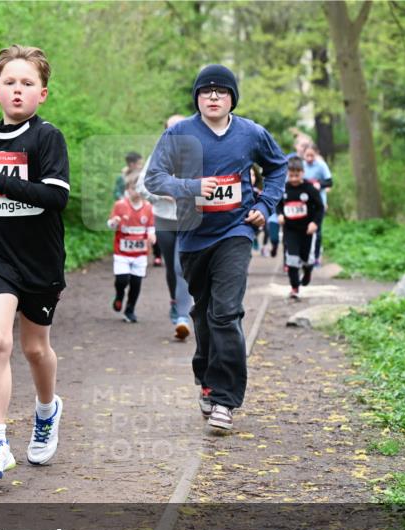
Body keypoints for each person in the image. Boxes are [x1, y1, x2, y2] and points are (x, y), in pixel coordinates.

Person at [145, 64, 287, 431]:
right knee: (204, 314)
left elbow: (278, 168)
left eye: (221, 91)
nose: (212, 96)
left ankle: (226, 398)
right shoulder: (179, 133)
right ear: (197, 97)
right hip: (192, 236)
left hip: (235, 232)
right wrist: (192, 187)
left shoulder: (251, 133)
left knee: (225, 313)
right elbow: (154, 177)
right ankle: (207, 378)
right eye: (206, 91)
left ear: (231, 98)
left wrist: (264, 206)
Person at [0, 45, 70, 480]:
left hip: (40, 258)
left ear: (42, 93)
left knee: (34, 348)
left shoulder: (47, 138)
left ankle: (47, 411)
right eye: (10, 83)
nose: (18, 90)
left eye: (27, 83)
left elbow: (55, 198)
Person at [136, 114, 192, 340]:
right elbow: (142, 186)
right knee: (171, 268)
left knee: (181, 267)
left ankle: (182, 317)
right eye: (171, 128)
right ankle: (175, 301)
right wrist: (164, 194)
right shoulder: (158, 156)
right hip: (164, 220)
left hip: (189, 220)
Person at [108, 170, 156, 323]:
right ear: (128, 189)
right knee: (122, 280)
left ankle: (130, 310)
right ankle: (119, 295)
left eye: (141, 188)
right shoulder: (120, 205)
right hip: (122, 252)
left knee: (136, 283)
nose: (138, 192)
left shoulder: (148, 207)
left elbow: (150, 226)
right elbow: (110, 224)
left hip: (140, 253)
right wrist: (114, 222)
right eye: (134, 188)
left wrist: (151, 235)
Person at [275, 156, 324, 299]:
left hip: (306, 230)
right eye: (291, 175)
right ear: (287, 174)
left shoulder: (309, 189)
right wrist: (279, 215)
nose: (294, 178)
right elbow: (278, 204)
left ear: (303, 173)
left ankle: (308, 271)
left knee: (306, 259)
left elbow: (320, 208)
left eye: (297, 175)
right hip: (290, 230)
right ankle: (294, 287)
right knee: (291, 259)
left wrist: (315, 223)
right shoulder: (284, 189)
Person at [302, 143, 332, 265]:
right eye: (307, 155)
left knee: (317, 231)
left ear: (316, 154)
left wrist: (319, 184)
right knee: (304, 230)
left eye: (312, 156)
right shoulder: (301, 165)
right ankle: (304, 255)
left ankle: (316, 257)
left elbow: (330, 182)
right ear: (303, 155)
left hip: (319, 203)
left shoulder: (321, 165)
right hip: (303, 204)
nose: (309, 158)